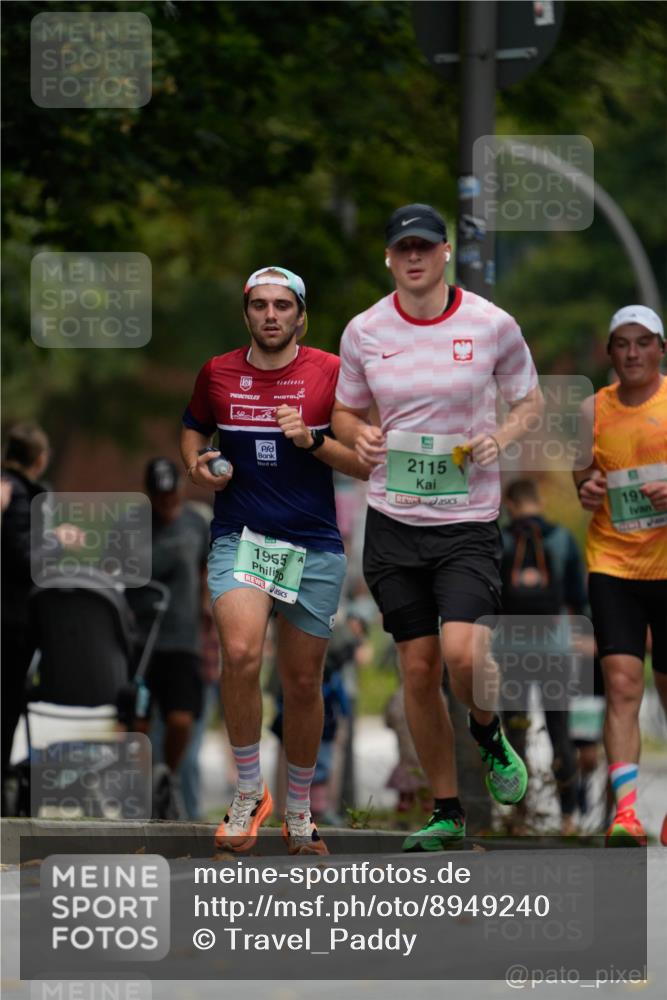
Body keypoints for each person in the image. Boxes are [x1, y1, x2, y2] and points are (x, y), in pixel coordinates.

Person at [332, 203, 544, 852]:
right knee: (417, 670)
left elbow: (530, 401)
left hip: (466, 521)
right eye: (403, 249)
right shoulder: (364, 330)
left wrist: (498, 435)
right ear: (388, 258)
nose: (414, 257)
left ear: (446, 252)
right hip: (393, 522)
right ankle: (446, 809)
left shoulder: (490, 325)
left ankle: (487, 731)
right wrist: (358, 435)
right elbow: (342, 412)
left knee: (461, 653)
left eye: (425, 246)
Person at [180, 266, 367, 855]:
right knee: (238, 652)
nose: (270, 315)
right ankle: (247, 791)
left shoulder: (331, 373)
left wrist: (312, 440)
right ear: (246, 314)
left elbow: (362, 463)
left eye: (281, 306)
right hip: (243, 536)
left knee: (303, 681)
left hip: (313, 545)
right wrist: (198, 465)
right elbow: (192, 431)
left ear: (300, 315)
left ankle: (299, 808)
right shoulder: (218, 372)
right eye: (259, 305)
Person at [573, 305, 667, 847]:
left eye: (643, 343)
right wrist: (587, 488)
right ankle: (626, 814)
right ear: (610, 353)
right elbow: (583, 477)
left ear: (660, 348)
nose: (632, 353)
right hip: (613, 563)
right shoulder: (591, 411)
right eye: (622, 344)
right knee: (623, 684)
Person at [499, 478, 588, 835]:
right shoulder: (563, 538)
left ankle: (520, 816)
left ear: (510, 504)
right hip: (555, 649)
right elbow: (578, 597)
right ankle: (568, 818)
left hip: (509, 649)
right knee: (559, 731)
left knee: (515, 732)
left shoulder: (502, 539)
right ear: (537, 501)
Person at [140, 458, 210, 810]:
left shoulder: (196, 524)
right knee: (136, 719)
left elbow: (208, 572)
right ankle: (145, 786)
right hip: (140, 641)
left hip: (183, 639)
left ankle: (168, 775)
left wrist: (212, 610)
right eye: (159, 496)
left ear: (180, 492)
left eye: (171, 495)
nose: (167, 502)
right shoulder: (132, 527)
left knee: (181, 718)